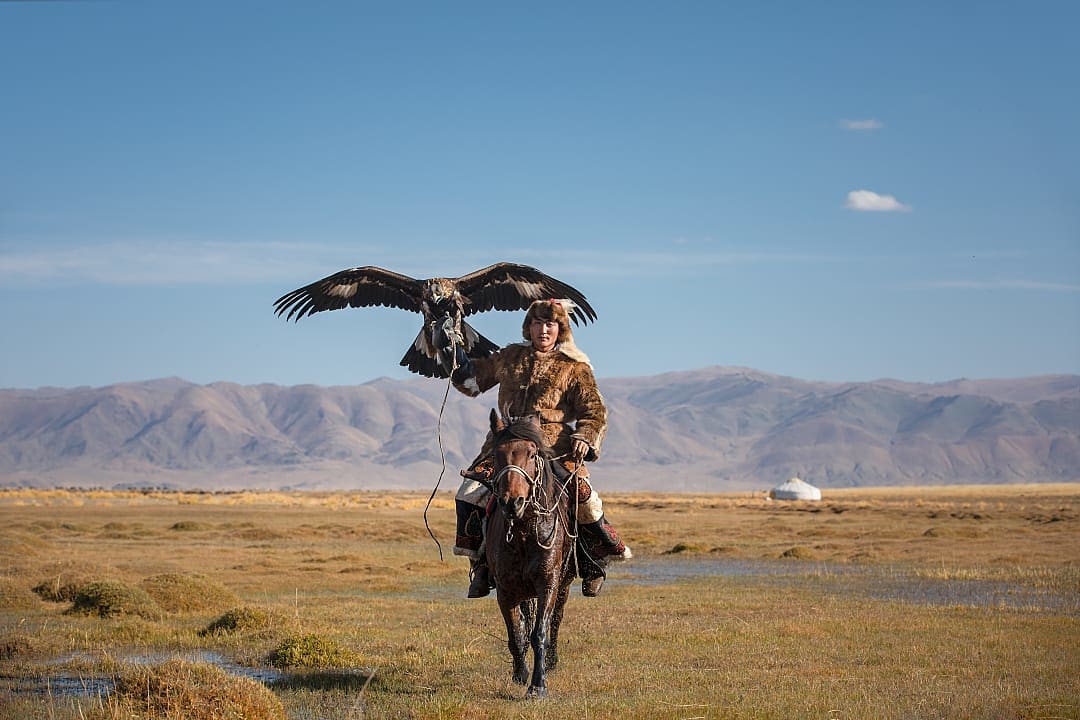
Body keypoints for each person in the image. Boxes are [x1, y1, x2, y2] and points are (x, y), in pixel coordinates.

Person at [447, 298, 631, 598]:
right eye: (537, 323)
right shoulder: (509, 357)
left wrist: (585, 436)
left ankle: (592, 561)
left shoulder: (574, 367)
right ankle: (480, 564)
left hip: (554, 445)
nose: (543, 330)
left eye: (550, 324)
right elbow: (472, 381)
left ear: (561, 329)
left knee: (583, 497)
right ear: (528, 327)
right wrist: (449, 351)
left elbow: (594, 410)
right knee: (469, 493)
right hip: (506, 444)